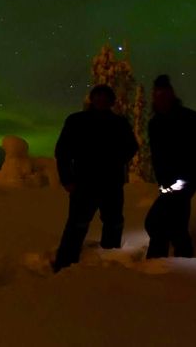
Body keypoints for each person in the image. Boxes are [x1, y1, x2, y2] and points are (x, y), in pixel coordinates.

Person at [52, 85, 139, 272]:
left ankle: (110, 261)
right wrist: (67, 179)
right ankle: (64, 264)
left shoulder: (118, 123)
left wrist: (116, 160)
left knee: (114, 222)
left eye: (105, 96)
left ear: (111, 101)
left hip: (111, 183)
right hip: (84, 183)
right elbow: (63, 151)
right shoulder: (77, 121)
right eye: (98, 96)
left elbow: (131, 147)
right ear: (92, 99)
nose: (101, 100)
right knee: (77, 223)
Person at [144, 75, 196, 259]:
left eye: (164, 93)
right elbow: (157, 155)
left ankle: (161, 261)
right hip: (168, 183)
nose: (161, 98)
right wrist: (163, 181)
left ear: (171, 94)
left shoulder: (190, 118)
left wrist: (182, 179)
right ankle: (172, 260)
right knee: (172, 222)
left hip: (183, 180)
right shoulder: (155, 123)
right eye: (158, 94)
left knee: (159, 221)